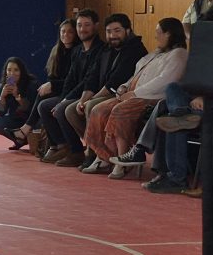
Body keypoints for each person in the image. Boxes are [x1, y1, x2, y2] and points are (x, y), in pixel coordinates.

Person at [82, 18, 188, 178]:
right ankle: (103, 156)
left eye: (158, 33)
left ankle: (122, 162)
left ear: (169, 34)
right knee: (98, 110)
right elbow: (137, 74)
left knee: (120, 110)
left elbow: (165, 81)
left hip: (151, 98)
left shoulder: (179, 54)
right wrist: (124, 86)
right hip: (133, 94)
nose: (156, 36)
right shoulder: (156, 54)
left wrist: (135, 93)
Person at [60, 13, 146, 169]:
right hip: (104, 93)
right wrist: (83, 99)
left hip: (122, 95)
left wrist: (91, 100)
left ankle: (99, 154)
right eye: (109, 31)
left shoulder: (135, 50)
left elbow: (115, 81)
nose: (112, 35)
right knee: (70, 110)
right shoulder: (107, 49)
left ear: (128, 30)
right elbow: (92, 77)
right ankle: (97, 149)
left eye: (117, 31)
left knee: (91, 106)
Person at [39, 9, 104, 165]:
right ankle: (62, 145)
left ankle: (77, 152)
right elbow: (71, 78)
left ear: (96, 26)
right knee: (44, 106)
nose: (82, 29)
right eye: (79, 25)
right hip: (75, 94)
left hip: (92, 93)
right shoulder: (77, 50)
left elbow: (88, 80)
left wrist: (65, 100)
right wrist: (63, 98)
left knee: (62, 109)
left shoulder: (101, 50)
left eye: (87, 25)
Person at [14, 19, 77, 154]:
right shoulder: (57, 50)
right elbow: (52, 76)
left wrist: (52, 85)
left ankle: (55, 143)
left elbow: (72, 80)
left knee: (44, 104)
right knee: (43, 95)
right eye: (63, 31)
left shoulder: (77, 52)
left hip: (71, 91)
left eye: (70, 32)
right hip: (60, 89)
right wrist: (50, 84)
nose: (65, 35)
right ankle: (52, 145)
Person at [0, 57, 38, 150]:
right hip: (16, 119)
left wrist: (17, 96)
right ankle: (19, 140)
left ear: (21, 71)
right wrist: (2, 97)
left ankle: (34, 141)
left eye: (16, 70)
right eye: (9, 70)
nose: (12, 73)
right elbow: (0, 113)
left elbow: (30, 109)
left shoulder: (32, 84)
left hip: (31, 120)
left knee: (40, 124)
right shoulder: (3, 86)